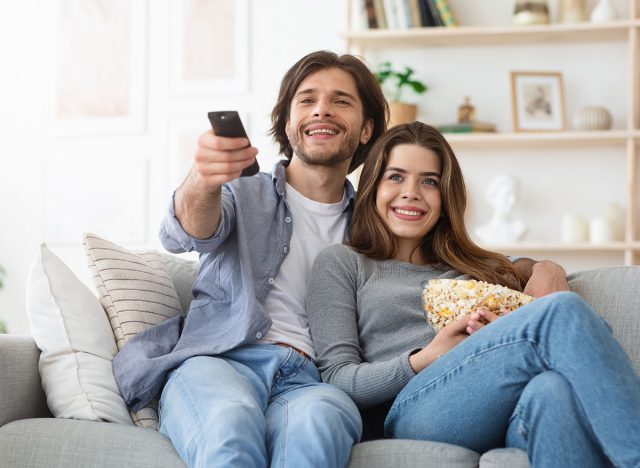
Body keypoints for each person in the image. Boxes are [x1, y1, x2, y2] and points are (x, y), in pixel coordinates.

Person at [111, 50, 388, 468]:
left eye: (341, 101)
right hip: (221, 363)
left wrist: (524, 266)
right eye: (307, 99)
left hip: (312, 383)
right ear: (288, 121)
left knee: (320, 424)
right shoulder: (241, 192)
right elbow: (184, 232)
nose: (322, 110)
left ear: (366, 129)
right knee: (229, 423)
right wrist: (202, 180)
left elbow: (448, 255)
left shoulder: (376, 226)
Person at [307, 121, 640, 467]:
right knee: (560, 311)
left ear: (445, 195)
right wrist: (428, 355)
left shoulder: (470, 268)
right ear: (373, 185)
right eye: (396, 176)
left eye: (429, 181)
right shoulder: (343, 263)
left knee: (552, 391)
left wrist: (548, 269)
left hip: (496, 405)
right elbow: (338, 379)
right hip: (409, 412)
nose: (411, 192)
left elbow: (522, 267)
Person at [474, 173, 527, 244]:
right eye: (507, 195)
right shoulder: (481, 231)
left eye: (516, 196)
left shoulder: (520, 228)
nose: (513, 200)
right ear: (493, 197)